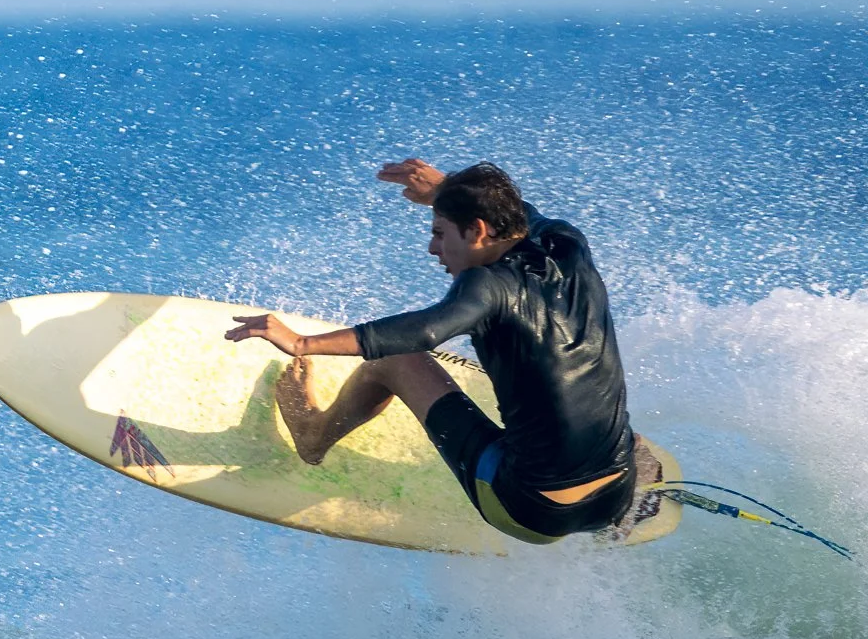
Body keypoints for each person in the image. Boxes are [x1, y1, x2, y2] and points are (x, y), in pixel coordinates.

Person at [225, 159, 639, 543]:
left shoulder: (486, 284)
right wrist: (444, 189)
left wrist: (301, 343)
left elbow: (424, 331)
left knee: (395, 358)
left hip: (531, 509)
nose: (432, 248)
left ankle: (312, 437)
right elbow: (523, 215)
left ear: (477, 230)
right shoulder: (567, 244)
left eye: (439, 232)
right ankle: (624, 504)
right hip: (617, 492)